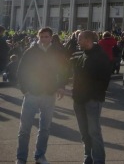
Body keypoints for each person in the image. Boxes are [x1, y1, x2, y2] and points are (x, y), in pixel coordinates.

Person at [15, 27, 67, 164]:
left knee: (45, 128)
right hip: (31, 94)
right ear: (38, 37)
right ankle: (21, 158)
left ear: (51, 37)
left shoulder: (56, 52)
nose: (43, 39)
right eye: (41, 36)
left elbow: (63, 71)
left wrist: (61, 86)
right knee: (24, 129)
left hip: (49, 94)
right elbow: (21, 71)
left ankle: (40, 155)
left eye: (46, 36)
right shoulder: (30, 52)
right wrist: (24, 90)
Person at [71, 30, 112, 164]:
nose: (78, 41)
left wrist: (93, 95)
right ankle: (88, 156)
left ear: (88, 40)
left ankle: (99, 160)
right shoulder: (83, 54)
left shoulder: (100, 56)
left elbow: (104, 79)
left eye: (80, 39)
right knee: (84, 132)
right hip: (79, 99)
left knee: (94, 132)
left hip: (92, 100)